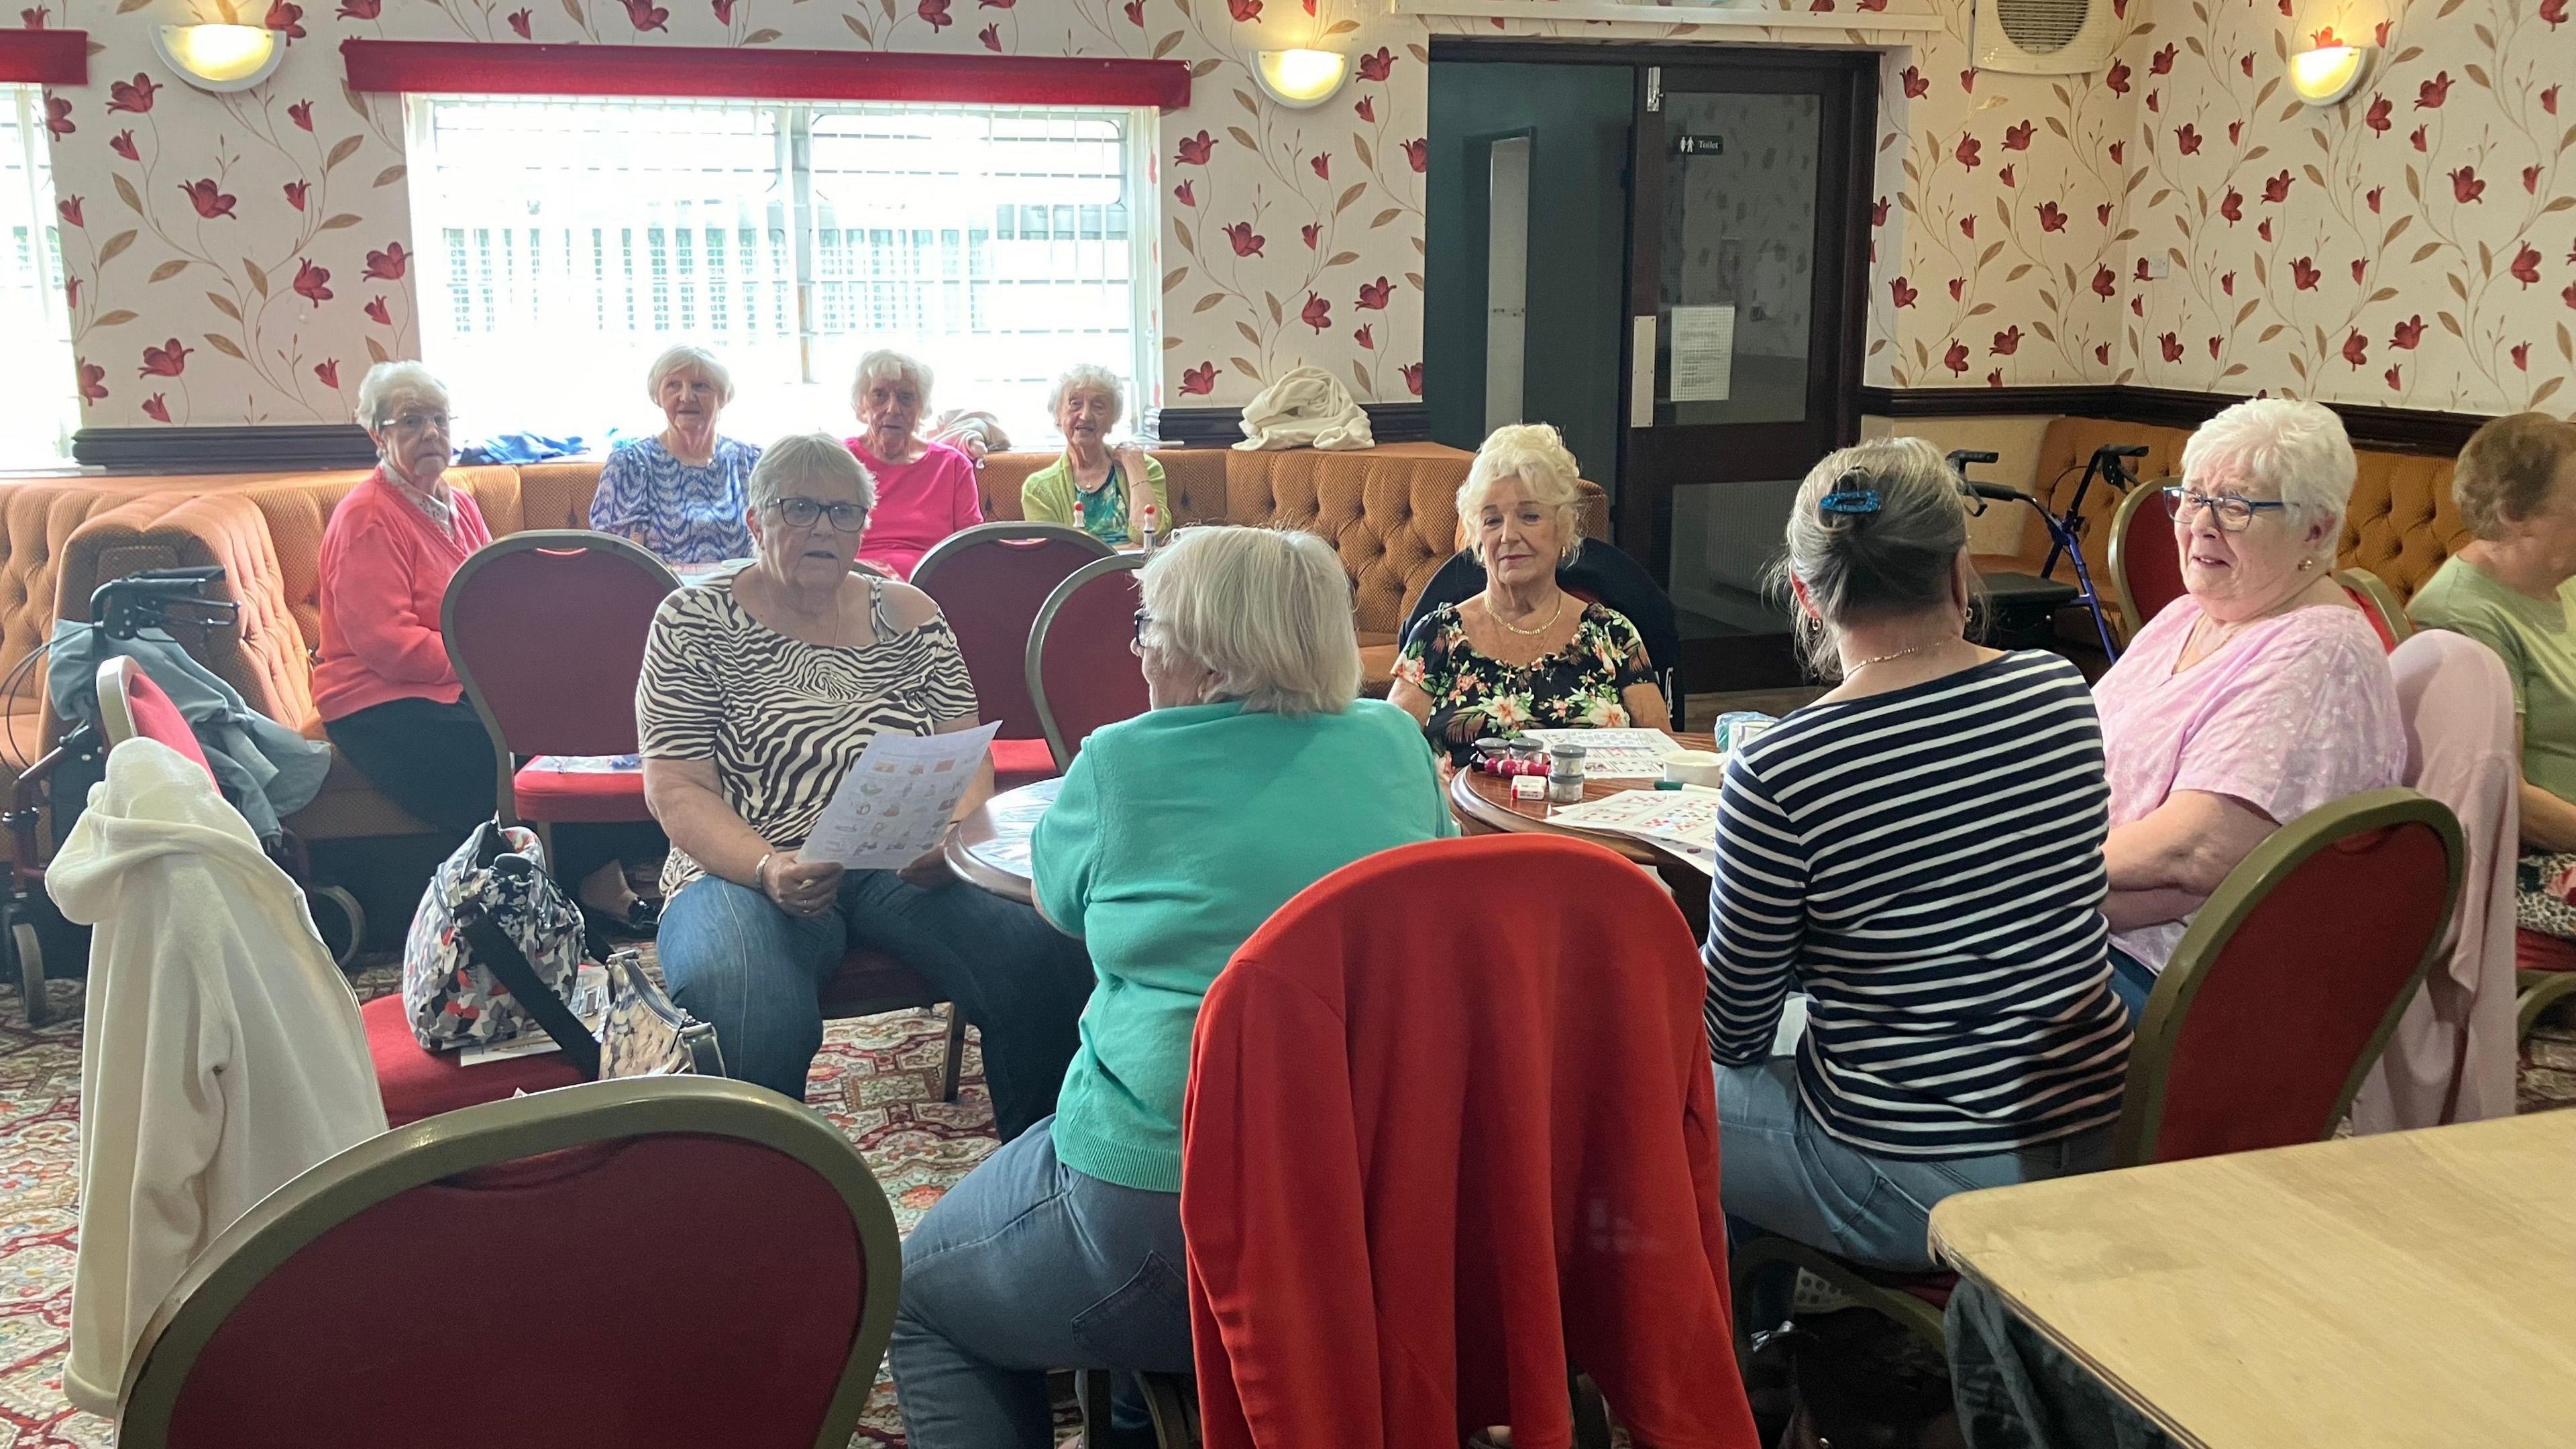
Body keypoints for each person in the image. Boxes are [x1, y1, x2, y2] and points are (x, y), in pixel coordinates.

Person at [890, 526, 1452, 1449]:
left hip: (1176, 1198)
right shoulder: (1394, 742)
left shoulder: (1120, 762)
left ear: (1206, 654)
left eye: (1150, 625)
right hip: (1382, 1194)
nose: (1139, 648)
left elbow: (1059, 904)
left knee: (921, 1302)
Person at [1704, 437, 2131, 1277]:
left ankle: (1717, 1369)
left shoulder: (1783, 768)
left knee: (1616, 1085)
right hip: (2088, 1142)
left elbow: (1733, 1030)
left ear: (1806, 593)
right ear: (1958, 571)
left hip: (1923, 1184)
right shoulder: (2059, 695)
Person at [638, 432, 1092, 1124]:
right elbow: (676, 788)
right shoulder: (693, 620)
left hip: (903, 859)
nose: (824, 527)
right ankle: (759, 1207)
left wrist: (951, 841)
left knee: (1042, 957)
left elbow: (966, 752)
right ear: (756, 520)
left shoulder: (910, 612)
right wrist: (767, 868)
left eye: (844, 512)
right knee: (746, 1006)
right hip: (742, 865)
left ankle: (1047, 1178)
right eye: (800, 509)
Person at [2092, 398, 2405, 1014]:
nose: (2198, 525)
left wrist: (2011, 885)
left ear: (2315, 529)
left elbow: (2190, 858)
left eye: (2234, 506)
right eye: (2190, 497)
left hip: (2173, 976)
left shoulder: (2320, 654)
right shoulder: (2190, 615)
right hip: (2087, 921)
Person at [317, 361, 653, 929]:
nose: (431, 434)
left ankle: (585, 884)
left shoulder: (461, 504)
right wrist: (498, 669)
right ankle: (567, 894)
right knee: (504, 752)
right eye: (411, 422)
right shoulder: (366, 519)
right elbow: (388, 646)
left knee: (581, 729)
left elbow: (494, 603)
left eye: (440, 420)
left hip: (458, 686)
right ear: (378, 435)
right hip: (379, 704)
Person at [1390, 423, 1668, 766]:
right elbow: (1387, 757)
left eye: (1529, 516)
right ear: (1478, 537)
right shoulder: (1438, 637)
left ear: (1563, 527)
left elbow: (1663, 757)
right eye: (1492, 521)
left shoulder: (1613, 635)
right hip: (1464, 817)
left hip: (1583, 816)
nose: (1508, 535)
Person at [2406, 413, 2576, 940]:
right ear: (2514, 514)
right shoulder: (2463, 615)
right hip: (2532, 865)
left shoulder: (2562, 579)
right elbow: (2508, 800)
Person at [587, 344, 760, 565]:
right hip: (661, 595)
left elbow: (774, 548)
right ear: (657, 397)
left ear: (723, 397)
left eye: (700, 386)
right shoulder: (631, 465)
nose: (686, 397)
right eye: (673, 386)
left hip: (740, 594)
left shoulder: (751, 463)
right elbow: (621, 565)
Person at [845, 350, 984, 578]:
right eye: (879, 395)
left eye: (905, 397)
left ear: (921, 408)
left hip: (933, 590)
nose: (892, 409)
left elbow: (972, 549)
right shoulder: (840, 461)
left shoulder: (952, 465)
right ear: (862, 405)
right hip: (854, 589)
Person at [1018, 363, 1169, 547]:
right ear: (1058, 416)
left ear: (1112, 420)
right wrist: (1125, 551)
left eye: (1098, 406)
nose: (1086, 415)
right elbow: (1051, 558)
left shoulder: (1147, 468)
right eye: (1075, 405)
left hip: (1140, 575)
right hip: (1076, 577)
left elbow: (1154, 535)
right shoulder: (1039, 490)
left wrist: (1136, 470)